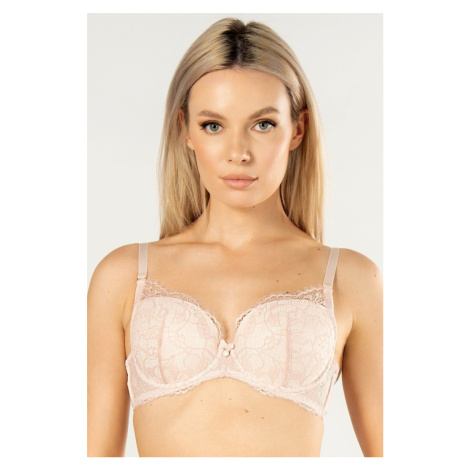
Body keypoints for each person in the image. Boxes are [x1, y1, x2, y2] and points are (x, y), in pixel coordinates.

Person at [87, 17, 383, 457]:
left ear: (298, 129)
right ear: (185, 129)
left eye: (262, 124)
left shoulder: (350, 279)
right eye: (213, 125)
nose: (238, 153)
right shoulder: (124, 276)